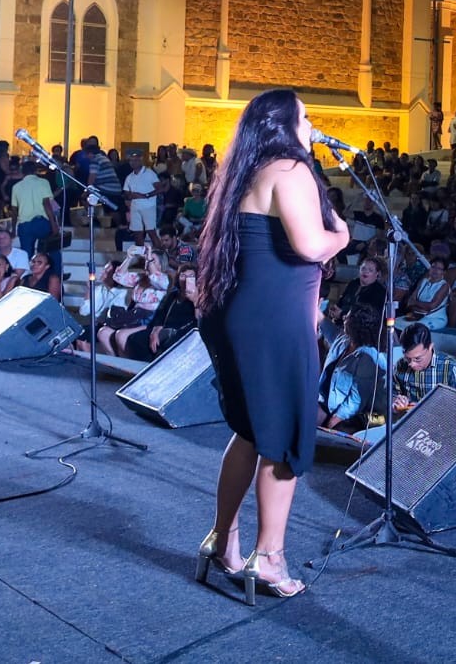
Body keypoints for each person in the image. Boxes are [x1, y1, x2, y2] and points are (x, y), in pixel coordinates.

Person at [195, 88, 351, 603]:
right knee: (282, 438)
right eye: (305, 116)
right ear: (284, 124)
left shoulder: (245, 173)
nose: (312, 124)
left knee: (250, 430)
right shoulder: (290, 169)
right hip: (272, 323)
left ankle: (223, 540)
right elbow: (310, 247)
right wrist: (342, 238)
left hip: (242, 315)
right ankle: (270, 558)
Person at [317, 300, 388, 433]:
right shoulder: (344, 340)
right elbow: (326, 327)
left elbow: (356, 401)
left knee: (338, 429)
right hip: (330, 405)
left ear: (356, 325)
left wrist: (334, 420)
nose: (344, 317)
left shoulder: (369, 357)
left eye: (348, 317)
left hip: (365, 415)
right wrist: (316, 311)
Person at [123, 262, 199, 362]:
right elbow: (160, 316)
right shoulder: (172, 295)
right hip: (165, 329)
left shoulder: (200, 295)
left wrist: (195, 301)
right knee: (134, 339)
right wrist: (154, 333)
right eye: (183, 276)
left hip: (183, 332)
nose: (186, 280)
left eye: (191, 276)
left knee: (168, 345)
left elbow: (200, 320)